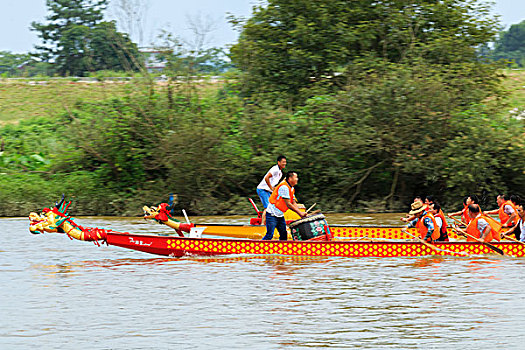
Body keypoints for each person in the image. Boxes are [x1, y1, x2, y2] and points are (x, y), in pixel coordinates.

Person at [262, 171, 307, 241]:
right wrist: (300, 213)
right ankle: (259, 248)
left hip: (280, 215)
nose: (297, 179)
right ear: (290, 178)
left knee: (284, 235)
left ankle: (281, 250)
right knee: (269, 235)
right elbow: (288, 204)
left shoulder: (291, 188)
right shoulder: (284, 187)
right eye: (296, 177)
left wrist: (300, 214)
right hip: (272, 214)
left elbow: (293, 202)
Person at [257, 155, 287, 225]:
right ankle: (262, 225)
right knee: (267, 208)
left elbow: (274, 183)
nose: (284, 163)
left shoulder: (280, 172)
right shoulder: (275, 169)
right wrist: (270, 187)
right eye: (283, 162)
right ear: (278, 162)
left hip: (268, 190)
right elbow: (266, 178)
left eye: (285, 162)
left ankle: (273, 223)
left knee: (274, 206)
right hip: (263, 189)